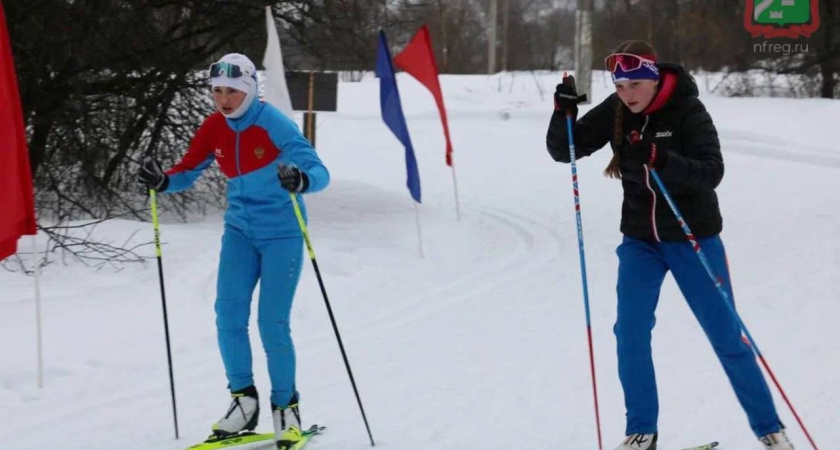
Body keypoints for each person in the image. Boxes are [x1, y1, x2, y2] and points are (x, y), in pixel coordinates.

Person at [545, 40, 794, 450]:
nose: (627, 95)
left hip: (693, 239)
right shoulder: (618, 109)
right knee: (630, 332)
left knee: (727, 337)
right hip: (641, 242)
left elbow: (712, 172)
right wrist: (563, 113)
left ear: (654, 78)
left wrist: (661, 158)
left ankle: (769, 430)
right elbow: (565, 150)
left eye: (635, 86)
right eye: (620, 88)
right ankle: (642, 431)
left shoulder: (688, 110)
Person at [137, 53, 329, 449]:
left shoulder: (273, 123)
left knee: (272, 322)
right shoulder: (214, 126)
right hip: (240, 231)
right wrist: (161, 180)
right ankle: (244, 401)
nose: (224, 100)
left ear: (250, 89)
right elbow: (187, 170)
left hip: (283, 234)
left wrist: (301, 179)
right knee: (227, 315)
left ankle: (286, 408)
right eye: (218, 91)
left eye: (232, 91)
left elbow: (319, 172)